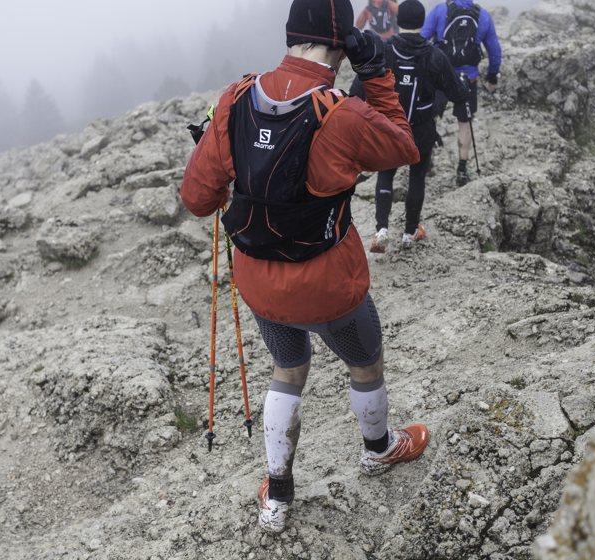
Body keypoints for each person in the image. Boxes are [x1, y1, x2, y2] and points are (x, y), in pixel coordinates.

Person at [180, 0, 430, 534]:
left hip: (260, 282)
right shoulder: (342, 112)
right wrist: (377, 72)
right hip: (330, 286)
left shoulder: (236, 98)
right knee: (365, 363)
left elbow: (199, 200)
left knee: (287, 370)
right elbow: (405, 147)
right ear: (343, 43)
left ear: (291, 34)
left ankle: (278, 495)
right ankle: (378, 449)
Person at [351, 0, 472, 252]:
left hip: (389, 125)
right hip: (422, 128)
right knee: (417, 177)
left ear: (399, 21)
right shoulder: (435, 55)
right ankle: (410, 232)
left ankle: (381, 230)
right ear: (421, 22)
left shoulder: (384, 51)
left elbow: (357, 89)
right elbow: (457, 92)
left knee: (386, 173)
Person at [422, 0, 502, 186]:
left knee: (430, 117)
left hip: (440, 76)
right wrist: (492, 76)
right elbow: (494, 49)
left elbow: (423, 39)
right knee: (464, 122)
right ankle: (462, 169)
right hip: (468, 78)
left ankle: (426, 162)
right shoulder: (483, 15)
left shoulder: (440, 10)